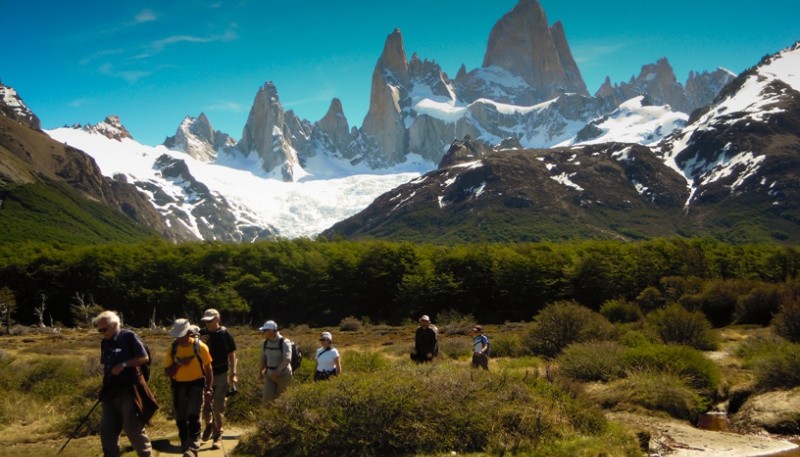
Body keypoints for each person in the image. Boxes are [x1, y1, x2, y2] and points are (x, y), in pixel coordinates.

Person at [94, 310, 158, 457]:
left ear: (115, 324)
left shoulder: (128, 337)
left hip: (129, 388)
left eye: (104, 329)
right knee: (107, 428)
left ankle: (145, 454)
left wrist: (123, 365)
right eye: (99, 330)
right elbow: (106, 365)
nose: (102, 333)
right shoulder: (105, 342)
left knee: (132, 427)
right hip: (111, 389)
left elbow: (144, 357)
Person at [164, 318, 213, 457]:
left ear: (189, 333)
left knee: (193, 416)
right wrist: (179, 363)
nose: (179, 338)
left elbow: (209, 370)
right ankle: (185, 445)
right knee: (180, 418)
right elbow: (167, 371)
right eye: (177, 336)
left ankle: (193, 447)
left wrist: (209, 389)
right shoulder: (172, 348)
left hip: (196, 385)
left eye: (181, 335)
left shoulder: (200, 347)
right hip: (178, 386)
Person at [198, 308, 237, 450]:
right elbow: (194, 355)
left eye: (210, 321)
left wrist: (234, 372)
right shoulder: (201, 334)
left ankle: (217, 435)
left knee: (218, 404)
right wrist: (200, 343)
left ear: (218, 319)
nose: (208, 324)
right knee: (205, 405)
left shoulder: (225, 334)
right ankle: (208, 425)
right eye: (206, 321)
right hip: (204, 374)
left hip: (221, 373)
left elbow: (232, 354)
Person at [258, 320, 293, 403]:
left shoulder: (285, 342)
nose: (263, 332)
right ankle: (267, 415)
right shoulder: (265, 343)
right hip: (269, 374)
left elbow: (287, 359)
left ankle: (282, 415)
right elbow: (263, 358)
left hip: (283, 375)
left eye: (265, 330)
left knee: (282, 399)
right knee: (266, 398)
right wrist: (260, 372)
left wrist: (277, 371)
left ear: (271, 331)